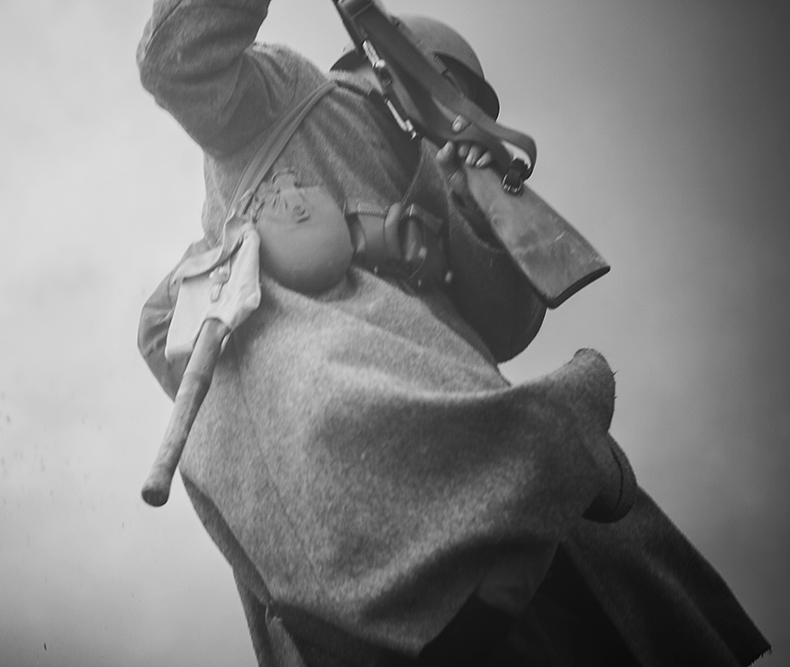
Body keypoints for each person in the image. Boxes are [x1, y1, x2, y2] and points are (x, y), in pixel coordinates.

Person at [135, 1, 770, 665]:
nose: (458, 113)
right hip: (348, 438)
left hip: (465, 451)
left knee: (603, 568)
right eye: (451, 93)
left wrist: (475, 199)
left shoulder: (448, 166)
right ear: (388, 65)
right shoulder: (287, 100)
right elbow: (180, 62)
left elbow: (505, 326)